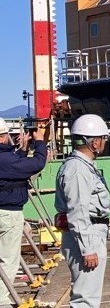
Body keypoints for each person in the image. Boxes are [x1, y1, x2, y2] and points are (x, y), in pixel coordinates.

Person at [55, 114, 110, 308]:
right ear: (95, 142)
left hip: (88, 233)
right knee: (86, 299)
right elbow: (78, 211)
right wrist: (88, 249)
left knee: (87, 295)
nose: (104, 142)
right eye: (103, 138)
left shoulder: (82, 167)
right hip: (87, 236)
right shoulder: (78, 169)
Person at [0, 120, 47, 306]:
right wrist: (40, 142)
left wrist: (23, 149)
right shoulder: (4, 159)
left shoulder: (6, 158)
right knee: (8, 259)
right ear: (2, 137)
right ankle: (1, 300)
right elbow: (37, 164)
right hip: (7, 213)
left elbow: (12, 166)